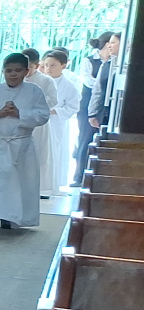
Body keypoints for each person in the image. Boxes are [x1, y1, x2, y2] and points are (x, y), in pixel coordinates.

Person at [0, 53, 51, 234]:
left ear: (26, 71)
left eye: (18, 70)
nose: (13, 74)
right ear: (3, 71)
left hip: (21, 145)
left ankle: (10, 217)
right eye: (9, 71)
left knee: (18, 183)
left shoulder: (34, 91)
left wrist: (19, 114)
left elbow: (43, 115)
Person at [75, 32, 123, 184]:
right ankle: (81, 177)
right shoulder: (106, 64)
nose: (109, 45)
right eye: (109, 42)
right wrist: (92, 112)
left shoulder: (127, 66)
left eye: (113, 42)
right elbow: (97, 89)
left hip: (117, 114)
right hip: (101, 110)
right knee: (88, 142)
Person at [20, 48, 60, 199]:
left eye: (29, 68)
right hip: (19, 122)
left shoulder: (46, 80)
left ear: (37, 66)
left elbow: (53, 100)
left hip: (38, 123)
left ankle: (41, 189)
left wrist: (34, 102)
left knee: (40, 155)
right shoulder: (15, 78)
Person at [41, 49, 82, 192]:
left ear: (63, 65)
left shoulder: (69, 85)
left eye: (53, 65)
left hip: (56, 123)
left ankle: (51, 185)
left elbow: (73, 106)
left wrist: (55, 111)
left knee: (54, 151)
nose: (48, 68)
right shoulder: (40, 81)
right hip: (38, 122)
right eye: (46, 65)